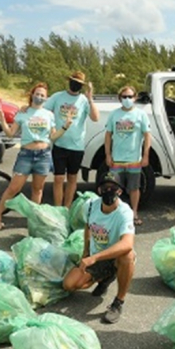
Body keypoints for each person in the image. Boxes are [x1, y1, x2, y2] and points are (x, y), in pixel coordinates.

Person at [0, 82, 74, 231]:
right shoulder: (23, 113)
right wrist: (2, 120)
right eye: (37, 94)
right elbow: (10, 134)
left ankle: (32, 223)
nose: (40, 97)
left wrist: (66, 126)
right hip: (26, 155)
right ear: (32, 95)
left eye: (43, 95)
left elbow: (53, 136)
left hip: (43, 155)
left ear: (46, 98)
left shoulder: (49, 115)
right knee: (13, 188)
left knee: (38, 190)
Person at [62, 171, 135, 324]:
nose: (109, 191)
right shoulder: (90, 206)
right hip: (97, 256)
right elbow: (88, 226)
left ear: (120, 191)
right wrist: (86, 252)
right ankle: (105, 277)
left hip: (114, 256)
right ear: (99, 190)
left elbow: (127, 243)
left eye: (113, 188)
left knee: (128, 256)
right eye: (105, 187)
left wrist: (93, 258)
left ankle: (118, 302)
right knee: (69, 284)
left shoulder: (124, 212)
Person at [44, 71, 99, 208]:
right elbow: (44, 111)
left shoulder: (84, 100)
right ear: (69, 82)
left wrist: (90, 99)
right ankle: (58, 208)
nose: (75, 85)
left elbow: (95, 117)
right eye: (74, 82)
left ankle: (67, 207)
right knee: (58, 178)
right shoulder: (58, 97)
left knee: (72, 178)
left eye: (79, 84)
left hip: (76, 146)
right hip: (59, 144)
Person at [104, 85, 152, 226]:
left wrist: (146, 155)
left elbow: (147, 135)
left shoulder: (141, 115)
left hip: (134, 160)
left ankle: (134, 213)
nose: (127, 99)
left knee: (134, 188)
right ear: (120, 98)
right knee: (113, 188)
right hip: (116, 160)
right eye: (124, 97)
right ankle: (115, 214)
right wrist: (108, 154)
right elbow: (108, 135)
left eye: (130, 96)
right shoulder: (114, 114)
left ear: (135, 97)